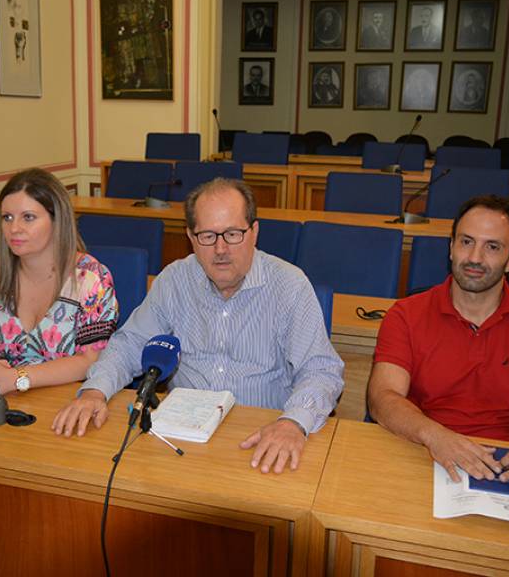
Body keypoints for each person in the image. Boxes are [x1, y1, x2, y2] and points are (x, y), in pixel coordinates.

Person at [52, 179, 344, 475]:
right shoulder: (175, 280)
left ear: (254, 232)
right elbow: (129, 345)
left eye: (233, 234)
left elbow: (321, 370)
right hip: (178, 438)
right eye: (207, 236)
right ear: (191, 237)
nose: (220, 249)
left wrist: (293, 422)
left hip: (261, 437)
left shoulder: (289, 285)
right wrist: (95, 391)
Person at [367, 196, 509, 494]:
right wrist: (435, 436)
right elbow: (382, 397)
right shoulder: (406, 315)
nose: (475, 257)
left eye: (492, 247)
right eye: (466, 242)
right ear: (451, 247)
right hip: (422, 453)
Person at [0, 168, 118, 396]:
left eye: (28, 217)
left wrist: (17, 378)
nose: (14, 229)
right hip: (6, 397)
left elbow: (91, 360)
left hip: (68, 400)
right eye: (7, 218)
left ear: (57, 220)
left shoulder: (91, 278)